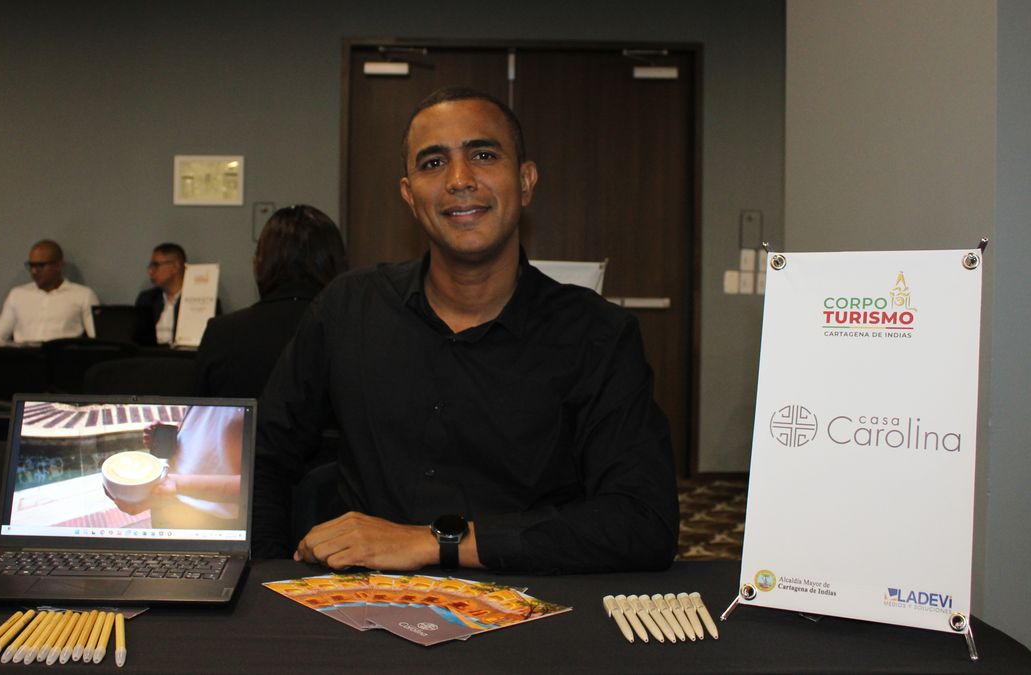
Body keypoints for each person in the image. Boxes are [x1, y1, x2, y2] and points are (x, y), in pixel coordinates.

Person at [252, 87, 678, 575]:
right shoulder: (347, 309)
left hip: (530, 604)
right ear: (410, 195)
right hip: (360, 602)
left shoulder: (598, 335)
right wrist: (268, 579)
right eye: (433, 163)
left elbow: (643, 520)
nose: (459, 180)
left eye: (483, 155)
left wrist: (437, 542)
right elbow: (262, 460)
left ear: (526, 181)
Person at [194, 205, 347, 398]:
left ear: (262, 261)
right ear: (335, 261)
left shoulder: (223, 332)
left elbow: (199, 410)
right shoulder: (351, 331)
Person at [106, 405, 244, 530]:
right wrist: (167, 438)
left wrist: (176, 484)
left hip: (212, 519)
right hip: (168, 497)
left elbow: (250, 486)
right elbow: (202, 423)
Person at [0, 239, 99, 343]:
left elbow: (98, 339)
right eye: (31, 265)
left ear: (58, 265)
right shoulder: (17, 294)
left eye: (40, 266)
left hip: (63, 361)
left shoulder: (83, 295)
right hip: (24, 360)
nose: (34, 271)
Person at [135, 243, 188, 345]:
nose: (150, 271)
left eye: (155, 265)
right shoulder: (147, 299)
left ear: (175, 266)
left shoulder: (198, 299)